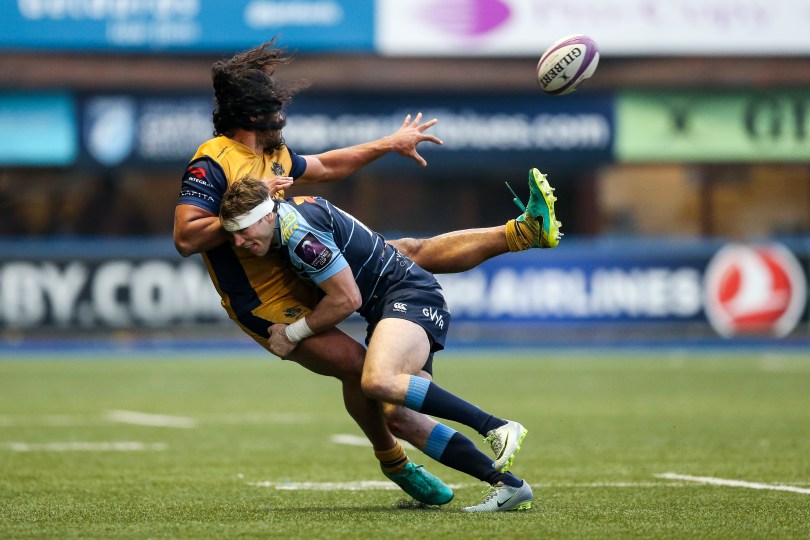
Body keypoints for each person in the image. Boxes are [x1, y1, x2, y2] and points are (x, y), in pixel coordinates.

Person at [173, 38, 561, 506]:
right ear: (252, 113)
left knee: (405, 257)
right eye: (273, 104)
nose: (281, 112)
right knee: (366, 372)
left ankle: (524, 232)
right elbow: (186, 238)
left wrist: (388, 143)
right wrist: (249, 208)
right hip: (266, 300)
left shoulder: (273, 154)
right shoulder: (212, 159)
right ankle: (395, 460)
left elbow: (327, 165)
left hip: (301, 264)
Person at [220, 177, 540, 512]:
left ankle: (496, 426)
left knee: (376, 380)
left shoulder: (300, 236)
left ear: (267, 215)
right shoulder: (283, 219)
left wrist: (292, 333)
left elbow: (346, 299)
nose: (238, 241)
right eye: (232, 233)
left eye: (243, 229)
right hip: (386, 307)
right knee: (398, 418)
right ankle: (509, 486)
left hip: (409, 294)